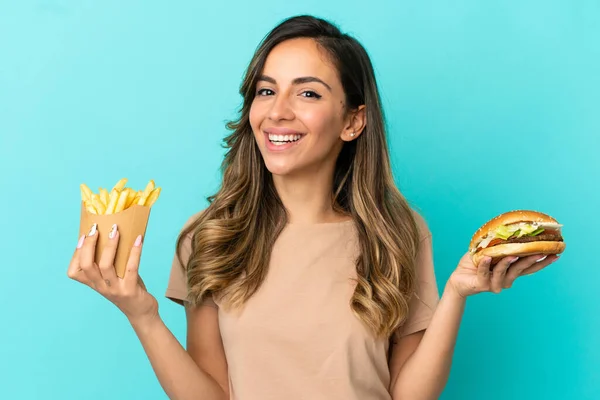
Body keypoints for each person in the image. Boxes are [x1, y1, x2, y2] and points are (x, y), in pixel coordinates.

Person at [66, 15, 560, 400]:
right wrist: (143, 315)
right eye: (265, 90)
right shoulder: (210, 235)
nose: (277, 111)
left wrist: (453, 295)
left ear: (353, 121)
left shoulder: (399, 232)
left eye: (307, 92)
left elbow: (408, 395)